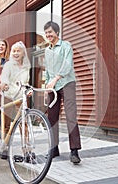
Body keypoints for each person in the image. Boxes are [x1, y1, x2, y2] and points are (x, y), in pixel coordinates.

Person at [43, 21, 81, 164]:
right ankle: (54, 148)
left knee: (71, 116)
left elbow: (67, 65)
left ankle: (74, 151)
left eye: (50, 32)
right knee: (52, 118)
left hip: (67, 83)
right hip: (53, 86)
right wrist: (47, 85)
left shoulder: (66, 46)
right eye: (46, 32)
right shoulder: (47, 50)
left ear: (57, 33)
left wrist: (56, 78)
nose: (48, 35)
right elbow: (47, 69)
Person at [0, 41, 31, 159]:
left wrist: (28, 90)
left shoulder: (26, 66)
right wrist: (4, 83)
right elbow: (4, 76)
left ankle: (27, 150)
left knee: (24, 124)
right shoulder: (9, 65)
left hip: (21, 96)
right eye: (13, 51)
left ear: (23, 53)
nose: (15, 53)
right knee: (6, 124)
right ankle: (4, 147)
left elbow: (26, 82)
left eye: (18, 51)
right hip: (9, 95)